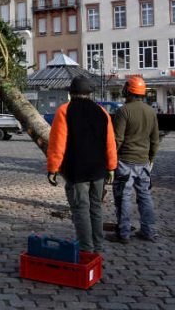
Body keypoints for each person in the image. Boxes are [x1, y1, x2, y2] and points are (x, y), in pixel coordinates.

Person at [47, 76, 118, 253]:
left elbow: (58, 143)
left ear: (71, 94)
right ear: (89, 93)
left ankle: (86, 249)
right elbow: (110, 142)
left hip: (77, 171)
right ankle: (98, 247)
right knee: (96, 208)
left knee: (81, 210)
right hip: (99, 170)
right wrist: (111, 167)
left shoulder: (64, 111)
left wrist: (53, 168)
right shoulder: (102, 112)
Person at [109, 76, 160, 243]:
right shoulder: (151, 112)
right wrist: (150, 158)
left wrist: (109, 160)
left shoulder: (123, 111)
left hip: (125, 161)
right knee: (145, 196)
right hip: (143, 161)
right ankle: (149, 231)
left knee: (124, 196)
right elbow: (155, 139)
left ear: (128, 91)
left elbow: (117, 139)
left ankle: (123, 233)